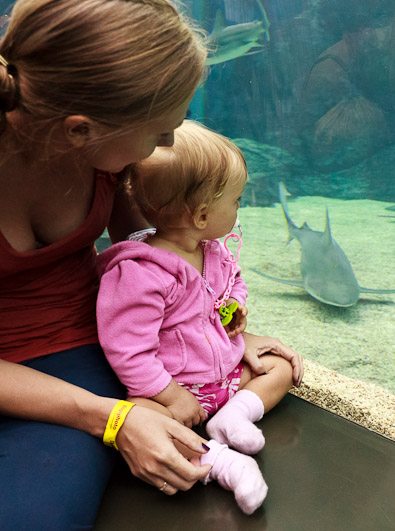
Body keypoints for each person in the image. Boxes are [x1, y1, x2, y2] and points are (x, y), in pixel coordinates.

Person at [0, 0, 231, 528]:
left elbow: (156, 257)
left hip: (73, 342)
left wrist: (223, 327)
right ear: (78, 130)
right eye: (160, 130)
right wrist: (117, 421)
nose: (166, 145)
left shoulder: (113, 151)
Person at [96, 120, 304, 514]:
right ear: (203, 215)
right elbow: (128, 351)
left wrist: (234, 310)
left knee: (280, 366)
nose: (239, 207)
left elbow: (231, 285)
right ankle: (221, 462)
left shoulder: (213, 251)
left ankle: (233, 417)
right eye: (237, 200)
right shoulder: (140, 274)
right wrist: (172, 396)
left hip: (223, 376)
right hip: (171, 391)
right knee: (145, 423)